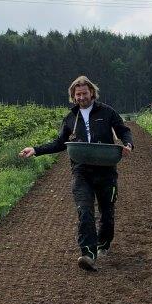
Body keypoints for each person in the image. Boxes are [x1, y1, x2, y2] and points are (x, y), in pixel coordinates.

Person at [19, 75, 133, 271]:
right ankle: (88, 253)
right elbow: (59, 143)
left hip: (106, 170)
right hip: (81, 171)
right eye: (77, 94)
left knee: (107, 212)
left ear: (92, 93)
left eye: (84, 93)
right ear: (73, 96)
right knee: (84, 211)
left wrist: (128, 143)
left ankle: (103, 243)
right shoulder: (71, 118)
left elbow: (123, 130)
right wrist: (36, 150)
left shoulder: (107, 112)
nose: (81, 97)